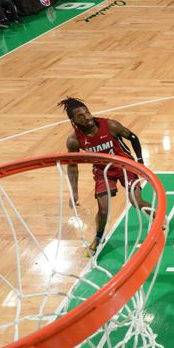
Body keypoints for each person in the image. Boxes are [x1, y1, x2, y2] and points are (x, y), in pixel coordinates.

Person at [58, 97, 151, 256]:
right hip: (103, 171)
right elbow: (72, 166)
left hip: (124, 166)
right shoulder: (74, 140)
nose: (87, 117)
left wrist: (140, 161)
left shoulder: (109, 125)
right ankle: (99, 237)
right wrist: (74, 192)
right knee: (103, 211)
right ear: (74, 120)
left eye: (87, 112)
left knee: (136, 201)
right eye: (81, 116)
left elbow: (133, 137)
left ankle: (157, 216)